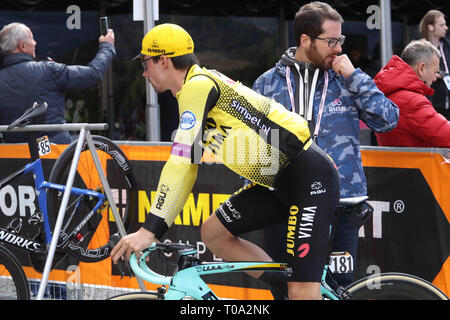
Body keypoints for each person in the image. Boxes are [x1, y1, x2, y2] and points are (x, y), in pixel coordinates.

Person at [111, 23, 341, 300]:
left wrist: (151, 230)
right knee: (213, 233)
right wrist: (155, 227)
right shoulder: (194, 90)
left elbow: (180, 162)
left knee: (303, 290)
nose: (144, 72)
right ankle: (281, 286)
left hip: (309, 177)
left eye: (145, 63)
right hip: (279, 182)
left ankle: (296, 289)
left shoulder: (198, 86)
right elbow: (188, 166)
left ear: (163, 60)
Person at [252, 2, 399, 288]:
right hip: (286, 205)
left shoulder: (346, 79)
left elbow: (389, 120)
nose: (338, 47)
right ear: (305, 40)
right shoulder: (267, 84)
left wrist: (355, 76)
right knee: (285, 288)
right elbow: (254, 147)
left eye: (340, 39)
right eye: (331, 41)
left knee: (337, 287)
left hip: (342, 204)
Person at [0, 22, 115, 143]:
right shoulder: (48, 70)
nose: (35, 43)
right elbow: (92, 74)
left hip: (11, 156)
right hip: (54, 153)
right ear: (22, 46)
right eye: (32, 38)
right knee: (91, 146)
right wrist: (107, 46)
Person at [374, 39, 450, 147]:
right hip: (417, 163)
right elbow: (446, 135)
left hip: (397, 162)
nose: (434, 79)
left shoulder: (388, 93)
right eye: (435, 72)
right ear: (422, 68)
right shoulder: (412, 102)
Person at [419, 10, 450, 120]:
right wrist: (430, 75)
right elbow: (414, 75)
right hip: (431, 106)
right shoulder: (419, 50)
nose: (446, 28)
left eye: (445, 24)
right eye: (442, 25)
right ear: (430, 27)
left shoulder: (447, 47)